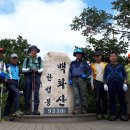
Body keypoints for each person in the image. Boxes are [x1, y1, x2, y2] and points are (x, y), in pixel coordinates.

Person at [104, 52, 128, 121]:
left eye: (114, 56)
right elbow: (105, 76)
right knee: (112, 99)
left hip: (120, 83)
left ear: (116, 57)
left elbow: (124, 74)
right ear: (109, 58)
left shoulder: (120, 65)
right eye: (111, 56)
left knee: (122, 99)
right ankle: (112, 115)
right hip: (111, 83)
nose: (113, 57)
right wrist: (105, 83)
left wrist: (125, 82)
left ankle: (123, 115)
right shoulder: (107, 66)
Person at [68, 48, 92, 114]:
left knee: (83, 95)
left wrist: (86, 75)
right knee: (76, 95)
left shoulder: (84, 63)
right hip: (74, 80)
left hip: (82, 80)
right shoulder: (72, 63)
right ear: (75, 55)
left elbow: (90, 70)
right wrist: (69, 79)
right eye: (77, 54)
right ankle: (77, 110)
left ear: (82, 55)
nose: (78, 55)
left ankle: (84, 110)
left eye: (79, 54)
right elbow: (70, 71)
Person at [22, 45, 43, 115]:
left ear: (37, 52)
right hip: (28, 75)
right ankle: (27, 109)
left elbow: (42, 69)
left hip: (36, 76)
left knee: (36, 93)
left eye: (35, 50)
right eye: (32, 50)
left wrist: (37, 70)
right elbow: (23, 69)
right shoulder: (27, 59)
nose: (34, 52)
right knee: (27, 92)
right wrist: (29, 69)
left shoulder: (39, 59)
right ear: (30, 51)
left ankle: (36, 110)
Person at [91, 51, 108, 119]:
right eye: (96, 56)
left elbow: (108, 74)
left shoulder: (105, 64)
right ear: (94, 57)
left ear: (101, 56)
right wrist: (92, 84)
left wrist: (107, 83)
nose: (97, 57)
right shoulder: (92, 65)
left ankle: (105, 113)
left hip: (104, 82)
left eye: (99, 56)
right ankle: (98, 113)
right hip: (96, 82)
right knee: (97, 99)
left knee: (104, 99)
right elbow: (91, 75)